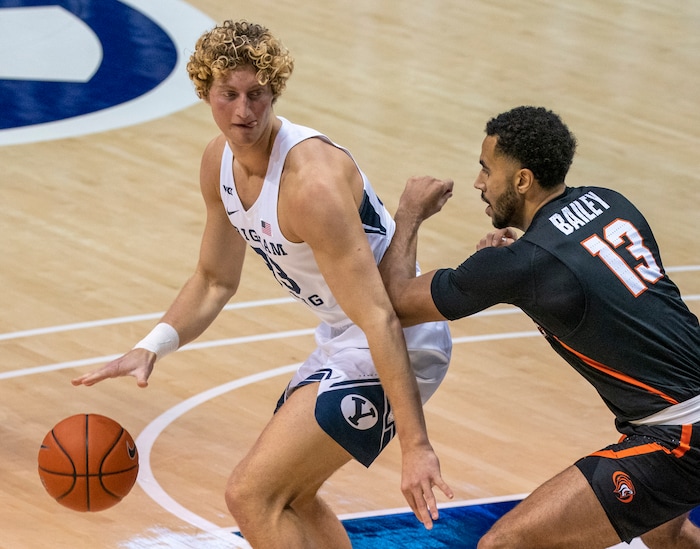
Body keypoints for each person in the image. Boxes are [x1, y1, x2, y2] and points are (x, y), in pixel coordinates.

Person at [71, 20, 453, 548]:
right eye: (229, 95)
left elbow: (380, 316)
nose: (244, 112)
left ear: (275, 91)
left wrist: (416, 446)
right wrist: (151, 345)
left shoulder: (310, 184)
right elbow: (213, 280)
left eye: (257, 95)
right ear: (206, 91)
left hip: (397, 338)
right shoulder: (218, 163)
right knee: (290, 497)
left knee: (252, 494)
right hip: (347, 333)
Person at [380, 105, 700, 548]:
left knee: (505, 545)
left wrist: (409, 213)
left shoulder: (523, 264)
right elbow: (587, 284)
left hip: (679, 434)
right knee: (667, 538)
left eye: (485, 170)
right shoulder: (611, 202)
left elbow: (394, 302)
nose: (478, 183)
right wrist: (508, 271)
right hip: (685, 412)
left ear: (522, 181)